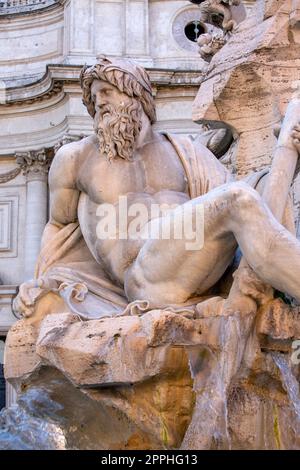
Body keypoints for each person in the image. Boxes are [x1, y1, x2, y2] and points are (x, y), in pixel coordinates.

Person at [14, 57, 300, 321]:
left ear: (136, 95)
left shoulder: (185, 151)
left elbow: (248, 201)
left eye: (107, 91)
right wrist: (40, 280)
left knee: (250, 192)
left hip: (194, 264)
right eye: (93, 96)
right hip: (143, 280)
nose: (98, 101)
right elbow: (58, 226)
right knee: (239, 199)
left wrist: (288, 160)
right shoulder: (76, 157)